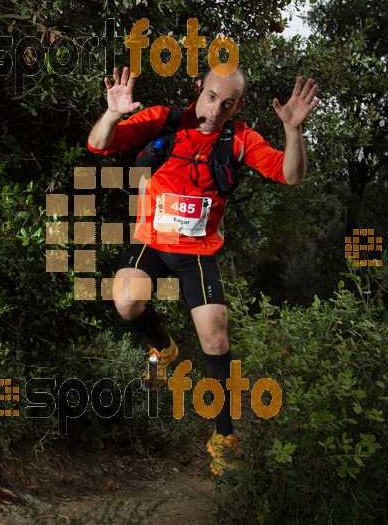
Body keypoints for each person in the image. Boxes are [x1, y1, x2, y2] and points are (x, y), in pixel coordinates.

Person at [87, 65, 319, 474]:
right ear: (199, 88)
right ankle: (163, 347)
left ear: (239, 105)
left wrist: (294, 131)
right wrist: (112, 114)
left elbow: (292, 175)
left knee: (215, 340)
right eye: (212, 96)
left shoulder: (240, 138)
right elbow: (98, 144)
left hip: (198, 251)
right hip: (151, 242)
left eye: (228, 103)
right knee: (125, 304)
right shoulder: (163, 119)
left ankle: (224, 436)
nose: (216, 109)